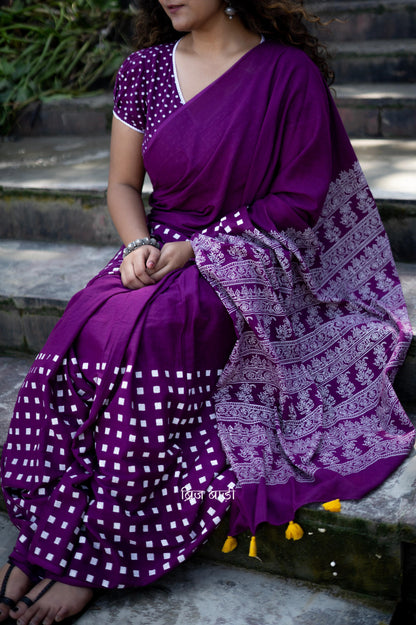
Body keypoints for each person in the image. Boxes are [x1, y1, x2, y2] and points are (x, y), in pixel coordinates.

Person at [0, 0, 414, 623]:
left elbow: (298, 202)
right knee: (94, 326)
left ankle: (97, 552)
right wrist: (139, 245)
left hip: (250, 254)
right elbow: (120, 185)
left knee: (160, 331)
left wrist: (201, 248)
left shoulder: (287, 73)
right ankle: (56, 533)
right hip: (158, 245)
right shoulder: (142, 70)